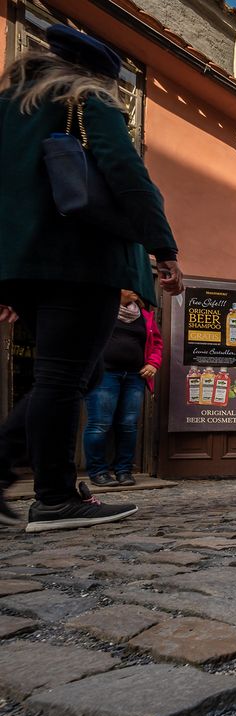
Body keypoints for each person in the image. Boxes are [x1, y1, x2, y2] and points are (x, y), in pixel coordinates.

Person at [0, 26, 184, 531]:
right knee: (66, 377)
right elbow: (126, 175)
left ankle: (38, 480)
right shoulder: (86, 101)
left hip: (32, 266)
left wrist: (11, 280)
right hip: (85, 262)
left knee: (70, 376)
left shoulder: (11, 113)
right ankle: (55, 496)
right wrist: (163, 247)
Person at [83, 290, 163, 487]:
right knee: (100, 424)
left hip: (134, 376)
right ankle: (98, 472)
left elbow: (157, 344)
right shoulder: (99, 310)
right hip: (104, 375)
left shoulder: (144, 316)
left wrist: (153, 363)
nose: (135, 290)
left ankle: (124, 471)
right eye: (130, 286)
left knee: (128, 425)